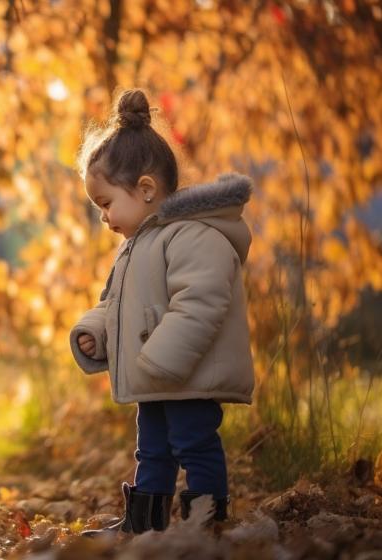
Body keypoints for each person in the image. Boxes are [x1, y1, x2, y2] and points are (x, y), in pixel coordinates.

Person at [70, 89, 255, 535]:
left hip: (185, 377)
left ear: (146, 189)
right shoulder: (138, 246)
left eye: (106, 203)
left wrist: (160, 359)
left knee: (194, 444)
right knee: (151, 450)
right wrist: (95, 331)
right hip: (156, 376)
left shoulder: (194, 236)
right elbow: (116, 304)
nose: (104, 218)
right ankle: (143, 523)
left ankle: (206, 524)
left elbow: (201, 303)